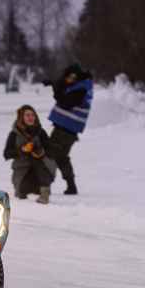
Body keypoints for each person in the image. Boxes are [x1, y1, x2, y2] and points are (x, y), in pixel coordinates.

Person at [44, 63, 94, 195]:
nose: (69, 80)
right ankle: (71, 186)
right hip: (65, 128)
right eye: (68, 77)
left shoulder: (81, 89)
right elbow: (64, 91)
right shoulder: (79, 86)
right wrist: (54, 83)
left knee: (52, 155)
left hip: (66, 130)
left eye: (73, 77)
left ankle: (45, 185)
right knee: (61, 157)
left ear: (78, 77)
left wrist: (56, 88)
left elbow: (65, 102)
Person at [3, 105, 56, 204]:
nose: (30, 117)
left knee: (38, 162)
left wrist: (41, 152)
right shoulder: (14, 134)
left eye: (32, 115)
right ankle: (25, 189)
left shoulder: (40, 132)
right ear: (21, 118)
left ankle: (44, 193)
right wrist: (22, 150)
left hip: (41, 168)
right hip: (22, 168)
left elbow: (51, 150)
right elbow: (7, 154)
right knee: (22, 192)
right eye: (27, 115)